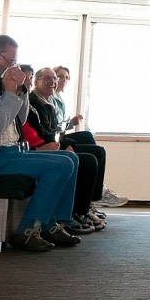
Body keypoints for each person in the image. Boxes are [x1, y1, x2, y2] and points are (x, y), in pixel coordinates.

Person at [0, 35, 82, 251]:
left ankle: (50, 223)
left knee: (70, 158)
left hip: (9, 150)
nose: (12, 67)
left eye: (14, 62)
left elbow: (18, 121)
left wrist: (21, 91)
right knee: (61, 164)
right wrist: (10, 94)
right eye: (9, 61)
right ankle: (27, 230)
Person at [29, 67, 106, 232]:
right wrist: (65, 144)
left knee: (96, 148)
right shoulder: (34, 102)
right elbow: (46, 134)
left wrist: (65, 141)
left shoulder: (49, 101)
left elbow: (55, 129)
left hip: (53, 141)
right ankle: (77, 211)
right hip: (42, 146)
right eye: (48, 78)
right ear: (36, 82)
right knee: (88, 160)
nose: (55, 82)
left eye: (55, 78)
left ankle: (88, 204)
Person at [53, 65, 128, 208]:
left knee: (88, 137)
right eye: (60, 76)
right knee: (93, 154)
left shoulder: (59, 99)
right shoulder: (49, 98)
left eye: (66, 78)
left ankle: (97, 193)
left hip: (59, 136)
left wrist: (70, 123)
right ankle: (97, 193)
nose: (63, 80)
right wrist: (70, 123)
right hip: (53, 140)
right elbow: (53, 127)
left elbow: (58, 126)